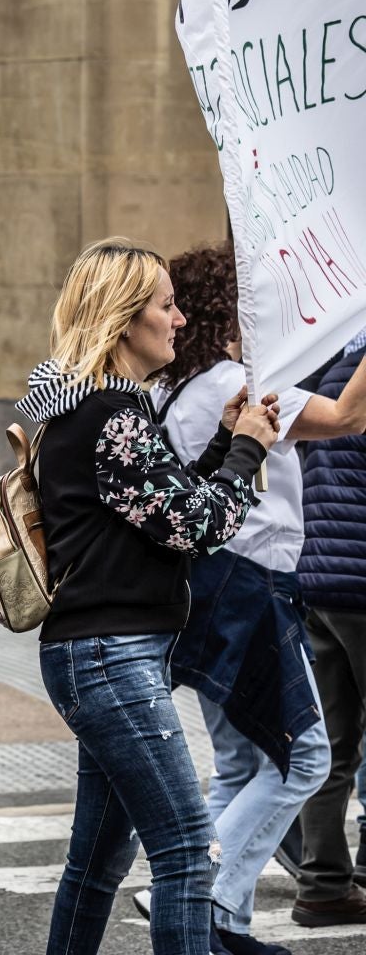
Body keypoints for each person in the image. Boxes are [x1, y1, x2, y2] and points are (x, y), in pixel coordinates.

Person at [17, 238, 276, 955]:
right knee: (189, 851)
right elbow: (197, 526)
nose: (181, 320)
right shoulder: (110, 415)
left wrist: (225, 442)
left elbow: (158, 508)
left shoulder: (92, 409)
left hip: (96, 652)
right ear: (126, 319)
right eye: (167, 305)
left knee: (97, 863)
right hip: (112, 656)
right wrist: (251, 451)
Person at [145, 241, 366, 950]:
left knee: (242, 762)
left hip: (206, 586)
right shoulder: (229, 384)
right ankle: (193, 890)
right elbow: (346, 418)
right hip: (249, 585)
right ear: (229, 313)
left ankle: (222, 926)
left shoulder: (172, 388)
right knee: (305, 758)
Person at [294, 329, 366, 928]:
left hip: (317, 580)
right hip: (361, 579)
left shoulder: (330, 373)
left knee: (334, 745)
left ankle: (321, 884)